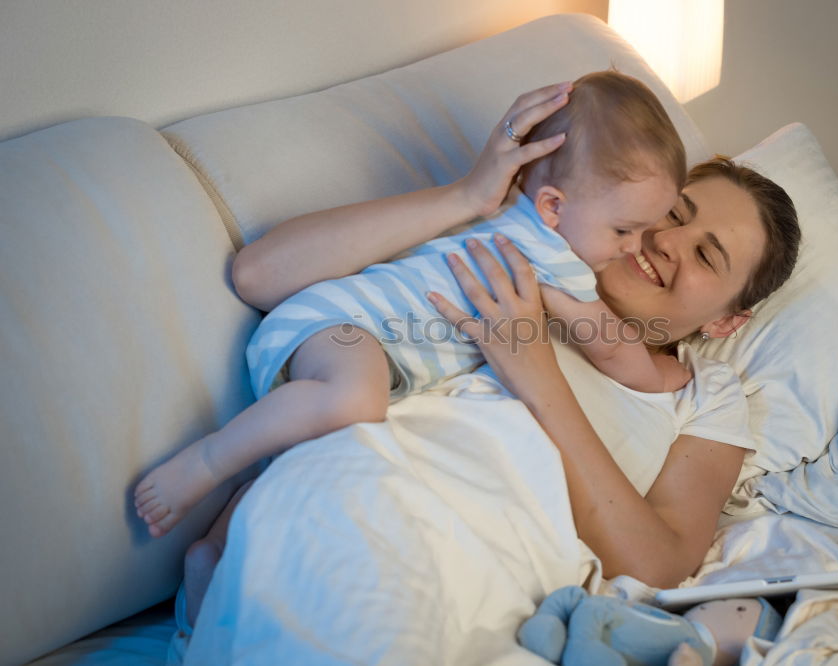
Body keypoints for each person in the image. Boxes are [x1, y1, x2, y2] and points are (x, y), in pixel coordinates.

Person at [180, 82, 801, 629]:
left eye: (706, 256)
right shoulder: (504, 239)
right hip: (346, 493)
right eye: (669, 216)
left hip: (461, 557)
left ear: (728, 320)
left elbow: (659, 567)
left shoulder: (706, 393)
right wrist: (467, 196)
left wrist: (535, 375)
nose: (663, 242)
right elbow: (260, 274)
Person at [134, 70, 689, 540]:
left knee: (311, 452)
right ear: (552, 204)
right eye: (625, 229)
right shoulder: (556, 258)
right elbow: (617, 354)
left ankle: (209, 550)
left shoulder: (507, 215)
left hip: (357, 344)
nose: (633, 248)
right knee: (353, 401)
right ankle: (207, 460)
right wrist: (667, 376)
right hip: (350, 325)